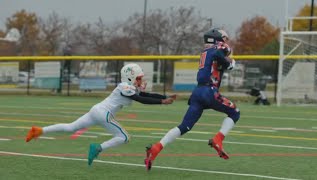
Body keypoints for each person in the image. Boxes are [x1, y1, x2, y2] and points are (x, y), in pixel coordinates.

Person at [25, 63, 176, 166]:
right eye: (138, 78)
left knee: (71, 127)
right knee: (124, 137)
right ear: (130, 77)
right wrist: (162, 102)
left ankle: (39, 130)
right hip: (103, 113)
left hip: (96, 110)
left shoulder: (128, 86)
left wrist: (164, 97)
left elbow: (148, 94)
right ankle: (98, 148)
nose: (140, 80)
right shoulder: (126, 87)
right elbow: (141, 99)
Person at [144, 28, 240, 171]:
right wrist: (230, 63)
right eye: (225, 39)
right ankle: (218, 139)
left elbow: (219, 58)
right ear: (219, 39)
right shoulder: (218, 48)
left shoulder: (206, 51)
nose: (226, 42)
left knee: (184, 126)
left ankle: (157, 148)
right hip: (209, 91)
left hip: (198, 92)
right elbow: (225, 57)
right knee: (235, 112)